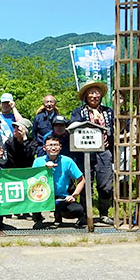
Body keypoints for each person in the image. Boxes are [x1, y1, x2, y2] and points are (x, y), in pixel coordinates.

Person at [70, 80, 114, 225]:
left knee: (105, 185)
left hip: (104, 151)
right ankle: (85, 214)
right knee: (85, 183)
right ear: (86, 96)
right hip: (85, 153)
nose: (94, 96)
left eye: (97, 93)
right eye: (91, 93)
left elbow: (114, 129)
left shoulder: (108, 112)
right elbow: (73, 127)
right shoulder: (78, 111)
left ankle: (103, 213)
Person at [32, 134, 86, 229]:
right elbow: (32, 180)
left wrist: (74, 195)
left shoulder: (67, 161)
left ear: (60, 147)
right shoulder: (38, 161)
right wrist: (44, 169)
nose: (53, 148)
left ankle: (59, 214)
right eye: (50, 145)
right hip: (43, 196)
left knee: (78, 210)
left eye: (56, 145)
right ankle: (38, 218)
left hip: (62, 197)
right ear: (44, 148)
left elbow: (81, 180)